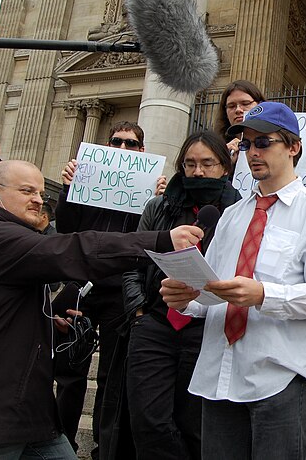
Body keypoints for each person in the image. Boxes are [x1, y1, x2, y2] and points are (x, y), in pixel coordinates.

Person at [0, 160, 201, 458]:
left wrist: (46, 322)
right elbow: (74, 250)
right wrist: (160, 240)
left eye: (41, 193)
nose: (38, 199)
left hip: (27, 413)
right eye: (27, 190)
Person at [160, 101, 306, 459]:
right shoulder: (232, 216)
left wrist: (264, 294)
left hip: (278, 375)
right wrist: (185, 297)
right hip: (219, 376)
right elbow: (211, 292)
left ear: (294, 147)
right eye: (247, 144)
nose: (252, 153)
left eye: (264, 142)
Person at [123, 131, 240, 460]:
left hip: (206, 330)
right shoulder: (159, 207)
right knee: (148, 420)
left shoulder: (238, 212)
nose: (198, 172)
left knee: (194, 423)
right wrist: (138, 311)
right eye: (190, 164)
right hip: (155, 325)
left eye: (207, 163)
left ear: (225, 167)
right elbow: (134, 260)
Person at [55, 120, 166, 458]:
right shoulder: (86, 181)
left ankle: (105, 448)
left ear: (141, 151)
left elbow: (147, 238)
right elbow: (66, 228)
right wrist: (68, 190)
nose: (123, 149)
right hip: (82, 286)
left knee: (110, 377)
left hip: (120, 288)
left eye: (131, 145)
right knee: (70, 372)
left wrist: (157, 200)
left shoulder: (151, 192)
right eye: (117, 142)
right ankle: (62, 444)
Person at [213, 80, 265, 163]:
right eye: (231, 106)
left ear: (260, 105)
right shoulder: (215, 148)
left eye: (245, 104)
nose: (238, 110)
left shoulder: (275, 141)